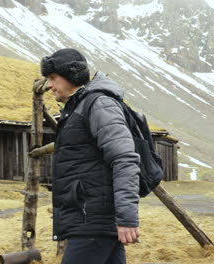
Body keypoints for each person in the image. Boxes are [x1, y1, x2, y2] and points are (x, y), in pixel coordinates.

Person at [41, 48, 141, 264]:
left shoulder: (98, 105)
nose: (49, 85)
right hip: (92, 221)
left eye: (52, 78)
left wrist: (126, 218)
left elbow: (124, 159)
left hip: (94, 221)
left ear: (71, 75)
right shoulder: (79, 107)